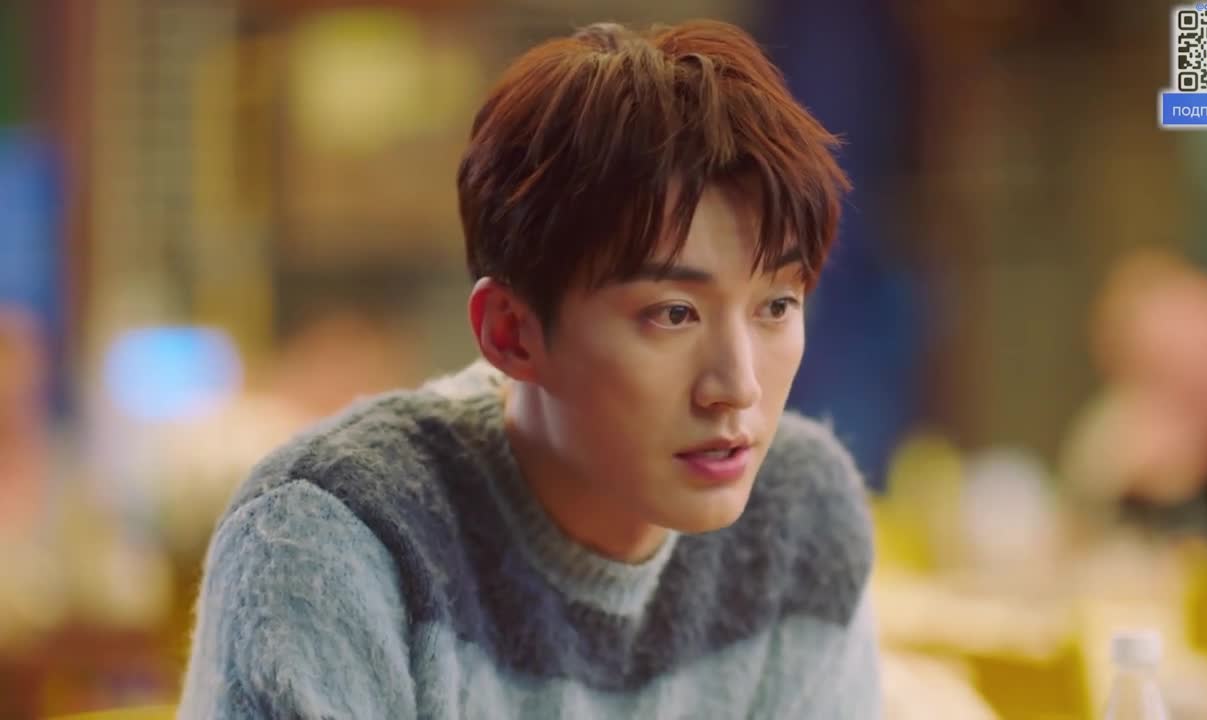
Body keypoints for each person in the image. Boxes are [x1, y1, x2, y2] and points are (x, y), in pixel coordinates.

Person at [179, 19, 880, 719]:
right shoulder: (334, 538)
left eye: (776, 306)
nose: (738, 387)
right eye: (673, 314)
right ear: (511, 333)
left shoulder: (799, 515)